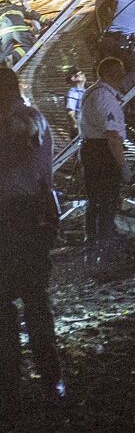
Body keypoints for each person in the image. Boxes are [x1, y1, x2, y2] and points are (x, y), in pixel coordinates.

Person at [0, 68, 62, 413]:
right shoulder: (33, 119)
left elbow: (12, 155)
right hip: (27, 220)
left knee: (17, 305)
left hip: (17, 219)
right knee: (29, 302)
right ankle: (39, 379)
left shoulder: (25, 122)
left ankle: (20, 381)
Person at [79, 57, 129, 250]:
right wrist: (123, 165)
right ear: (111, 74)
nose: (123, 76)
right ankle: (105, 240)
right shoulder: (105, 97)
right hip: (102, 152)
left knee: (95, 198)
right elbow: (112, 135)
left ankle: (93, 238)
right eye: (120, 73)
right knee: (107, 196)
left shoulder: (92, 92)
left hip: (91, 149)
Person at [0, 0, 42, 66]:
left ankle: (5, 64)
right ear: (7, 2)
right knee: (33, 45)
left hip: (4, 35)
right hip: (19, 31)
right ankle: (14, 57)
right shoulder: (16, 7)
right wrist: (47, 21)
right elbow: (32, 13)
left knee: (6, 54)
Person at [65, 67, 86, 138]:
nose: (83, 74)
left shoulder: (86, 91)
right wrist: (76, 126)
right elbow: (71, 113)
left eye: (82, 73)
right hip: (82, 131)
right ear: (73, 78)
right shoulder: (73, 92)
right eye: (80, 73)